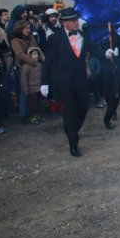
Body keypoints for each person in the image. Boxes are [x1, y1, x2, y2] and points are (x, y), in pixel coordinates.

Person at [40, 8, 96, 157]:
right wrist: (44, 82)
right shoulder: (55, 39)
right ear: (64, 23)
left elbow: (95, 50)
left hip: (81, 80)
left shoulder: (83, 36)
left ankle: (73, 131)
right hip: (64, 81)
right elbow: (48, 62)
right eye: (71, 20)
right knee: (69, 111)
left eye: (76, 19)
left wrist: (107, 53)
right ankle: (73, 143)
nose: (75, 23)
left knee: (84, 107)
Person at [9, 19, 39, 123]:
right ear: (20, 29)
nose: (28, 30)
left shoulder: (30, 37)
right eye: (26, 28)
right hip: (22, 67)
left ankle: (33, 113)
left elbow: (35, 48)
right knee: (24, 91)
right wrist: (33, 62)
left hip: (32, 67)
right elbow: (20, 55)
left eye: (29, 28)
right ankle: (23, 114)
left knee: (33, 90)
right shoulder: (15, 40)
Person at [21, 47, 44, 125]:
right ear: (30, 55)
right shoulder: (26, 67)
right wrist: (26, 90)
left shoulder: (40, 65)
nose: (36, 55)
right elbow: (24, 79)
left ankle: (38, 116)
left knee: (39, 104)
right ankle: (32, 117)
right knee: (32, 105)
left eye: (37, 54)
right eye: (34, 54)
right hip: (31, 89)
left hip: (39, 89)